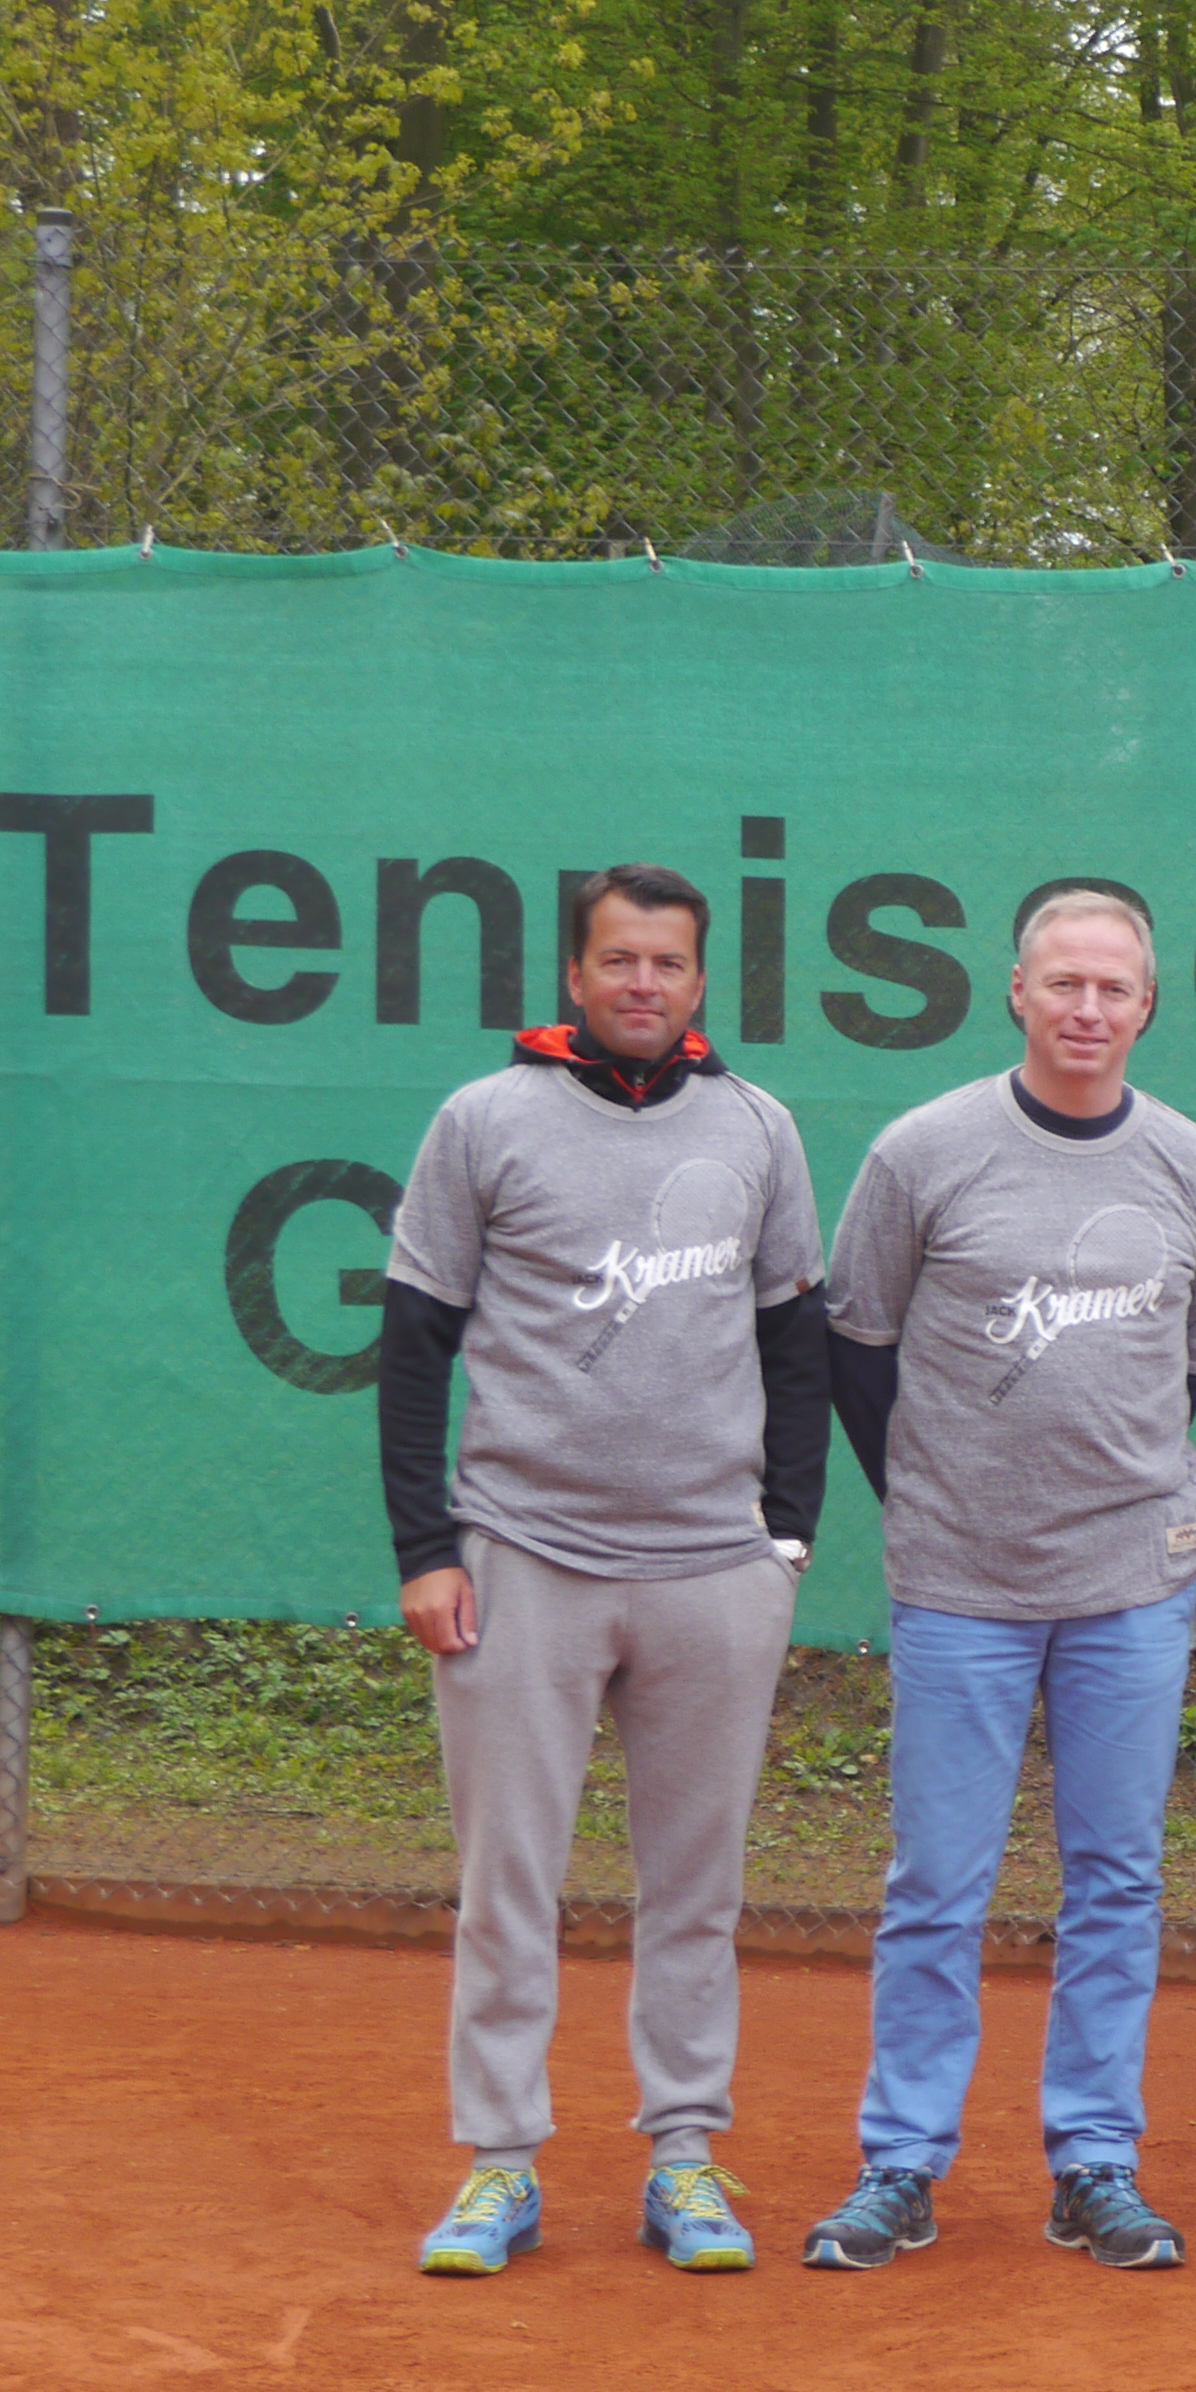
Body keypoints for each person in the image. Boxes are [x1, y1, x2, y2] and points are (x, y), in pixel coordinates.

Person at [379, 866, 828, 2278]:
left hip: (712, 1568)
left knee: (695, 1886)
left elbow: (796, 1343)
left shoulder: (759, 1128)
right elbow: (413, 1342)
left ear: (702, 985)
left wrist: (784, 1534)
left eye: (670, 964)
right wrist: (426, 1549)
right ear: (574, 977)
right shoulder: (485, 1120)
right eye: (620, 960)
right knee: (507, 1880)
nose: (644, 984)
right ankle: (500, 2167)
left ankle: (685, 2160)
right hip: (524, 1558)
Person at [802, 885, 1196, 2276]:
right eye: (1063, 982)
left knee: (1117, 1877)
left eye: (1113, 988)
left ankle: (1093, 2164)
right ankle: (901, 2165)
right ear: (1014, 989)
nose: (1087, 1009)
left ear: (1148, 1005)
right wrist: (935, 1493)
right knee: (940, 1879)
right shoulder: (924, 1152)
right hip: (961, 1587)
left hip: (1133, 1580)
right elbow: (855, 1341)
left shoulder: (1194, 1167)